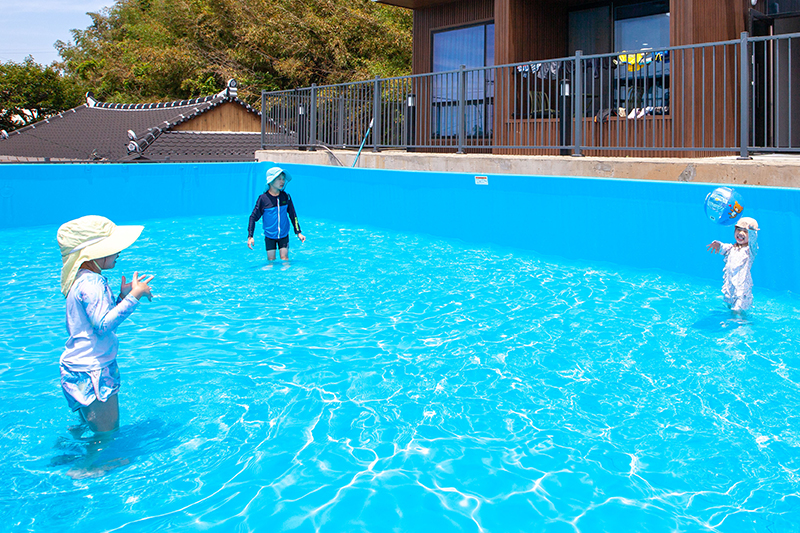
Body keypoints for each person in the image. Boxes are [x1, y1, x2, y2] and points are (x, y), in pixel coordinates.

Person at [57, 215, 154, 435]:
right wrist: (135, 297)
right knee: (106, 434)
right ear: (95, 252)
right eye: (114, 247)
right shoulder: (93, 282)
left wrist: (122, 297)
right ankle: (90, 459)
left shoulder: (80, 279)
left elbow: (96, 321)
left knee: (86, 427)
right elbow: (103, 326)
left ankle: (67, 451)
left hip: (77, 368)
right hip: (95, 370)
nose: (119, 252)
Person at [247, 166, 306, 260]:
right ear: (271, 181)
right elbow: (253, 217)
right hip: (270, 236)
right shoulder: (263, 199)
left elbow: (293, 215)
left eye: (283, 179)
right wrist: (250, 236)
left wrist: (298, 232)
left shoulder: (285, 197)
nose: (282, 181)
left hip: (284, 235)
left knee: (285, 258)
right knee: (271, 261)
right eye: (279, 179)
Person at [707, 216, 760, 312]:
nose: (741, 233)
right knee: (727, 308)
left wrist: (752, 231)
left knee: (737, 313)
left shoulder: (750, 251)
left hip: (742, 292)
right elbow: (722, 247)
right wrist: (718, 244)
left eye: (745, 231)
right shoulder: (731, 248)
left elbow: (753, 242)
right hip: (729, 289)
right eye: (738, 230)